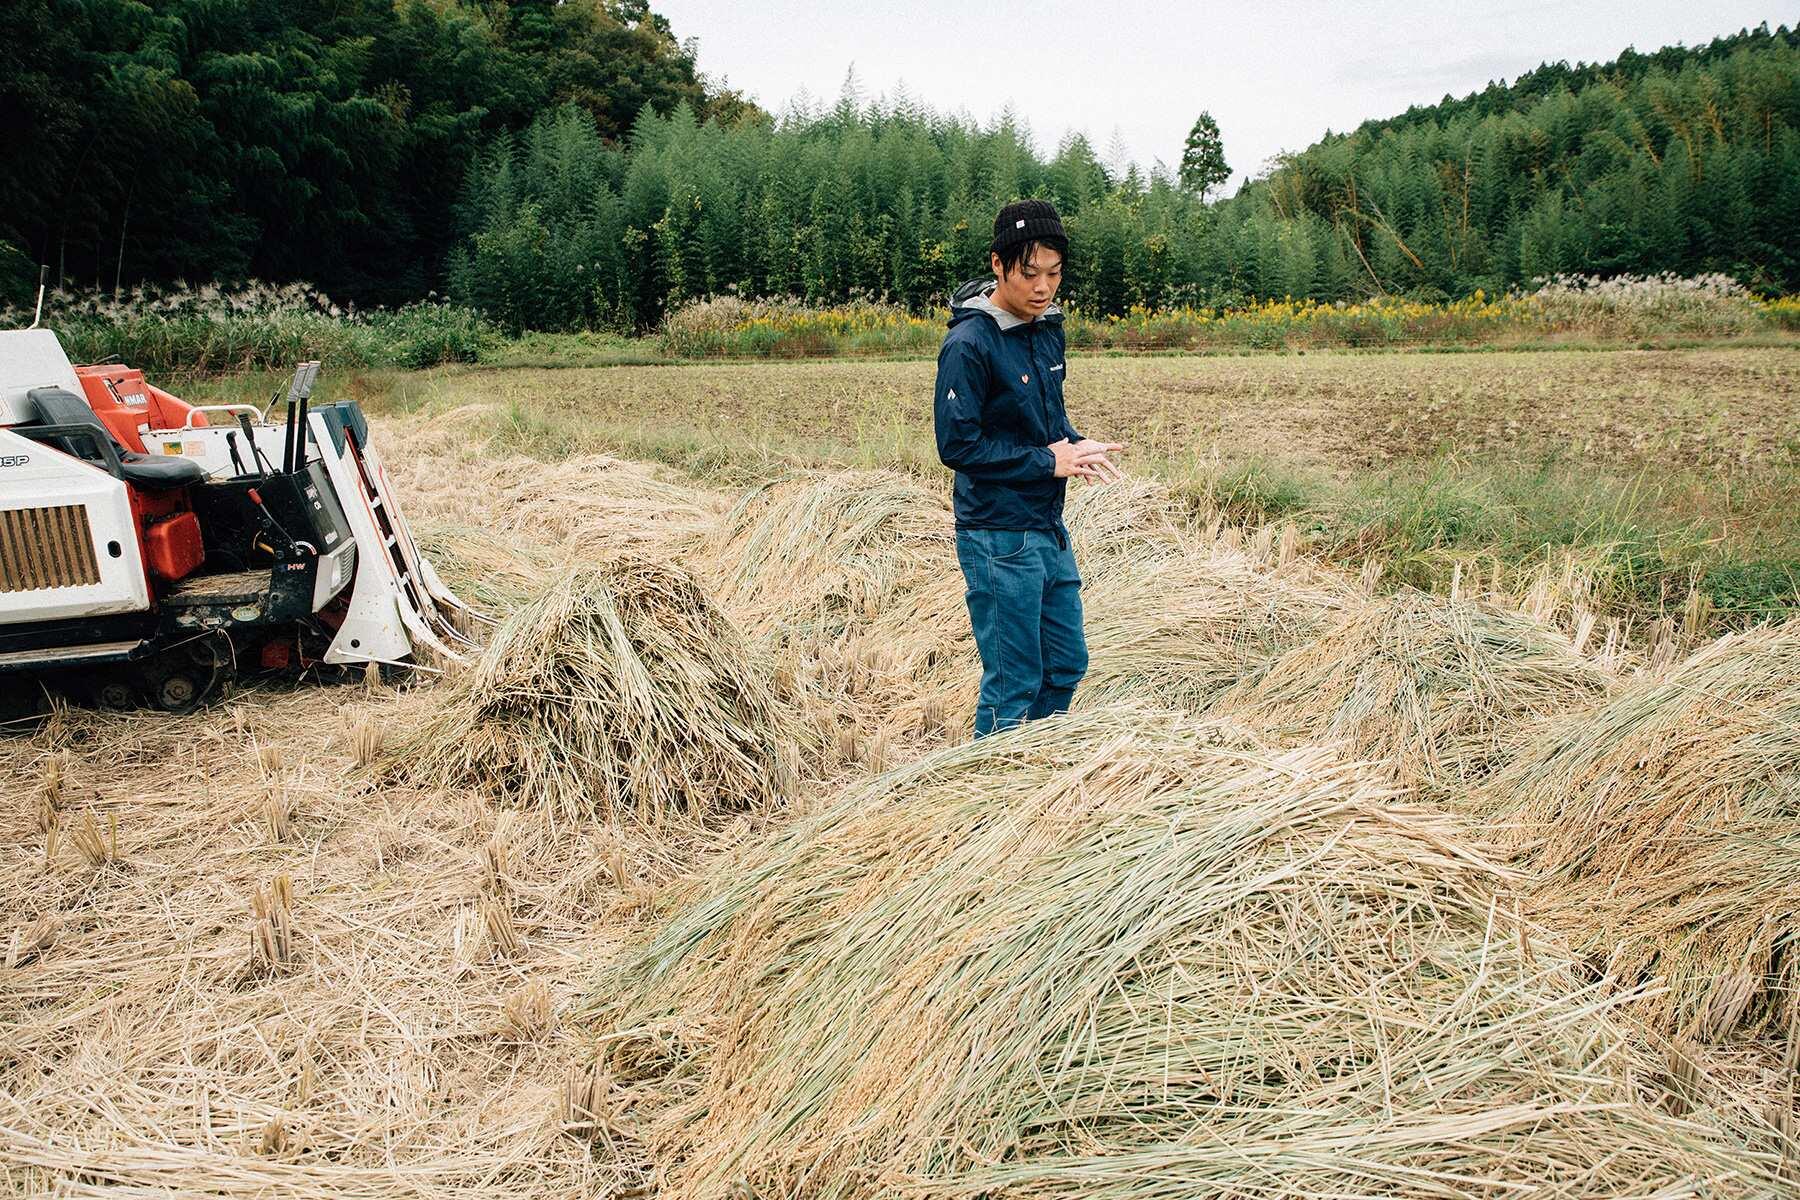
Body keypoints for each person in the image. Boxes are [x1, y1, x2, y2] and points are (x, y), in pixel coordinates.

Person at [933, 199, 1125, 738]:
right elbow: (957, 446)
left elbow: (1045, 416)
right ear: (998, 265)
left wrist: (1075, 444)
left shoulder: (1047, 329)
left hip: (1046, 525)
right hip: (997, 536)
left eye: (1054, 274)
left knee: (1066, 665)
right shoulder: (969, 344)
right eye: (1030, 273)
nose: (1043, 288)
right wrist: (1047, 461)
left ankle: (1035, 765)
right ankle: (991, 780)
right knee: (1014, 680)